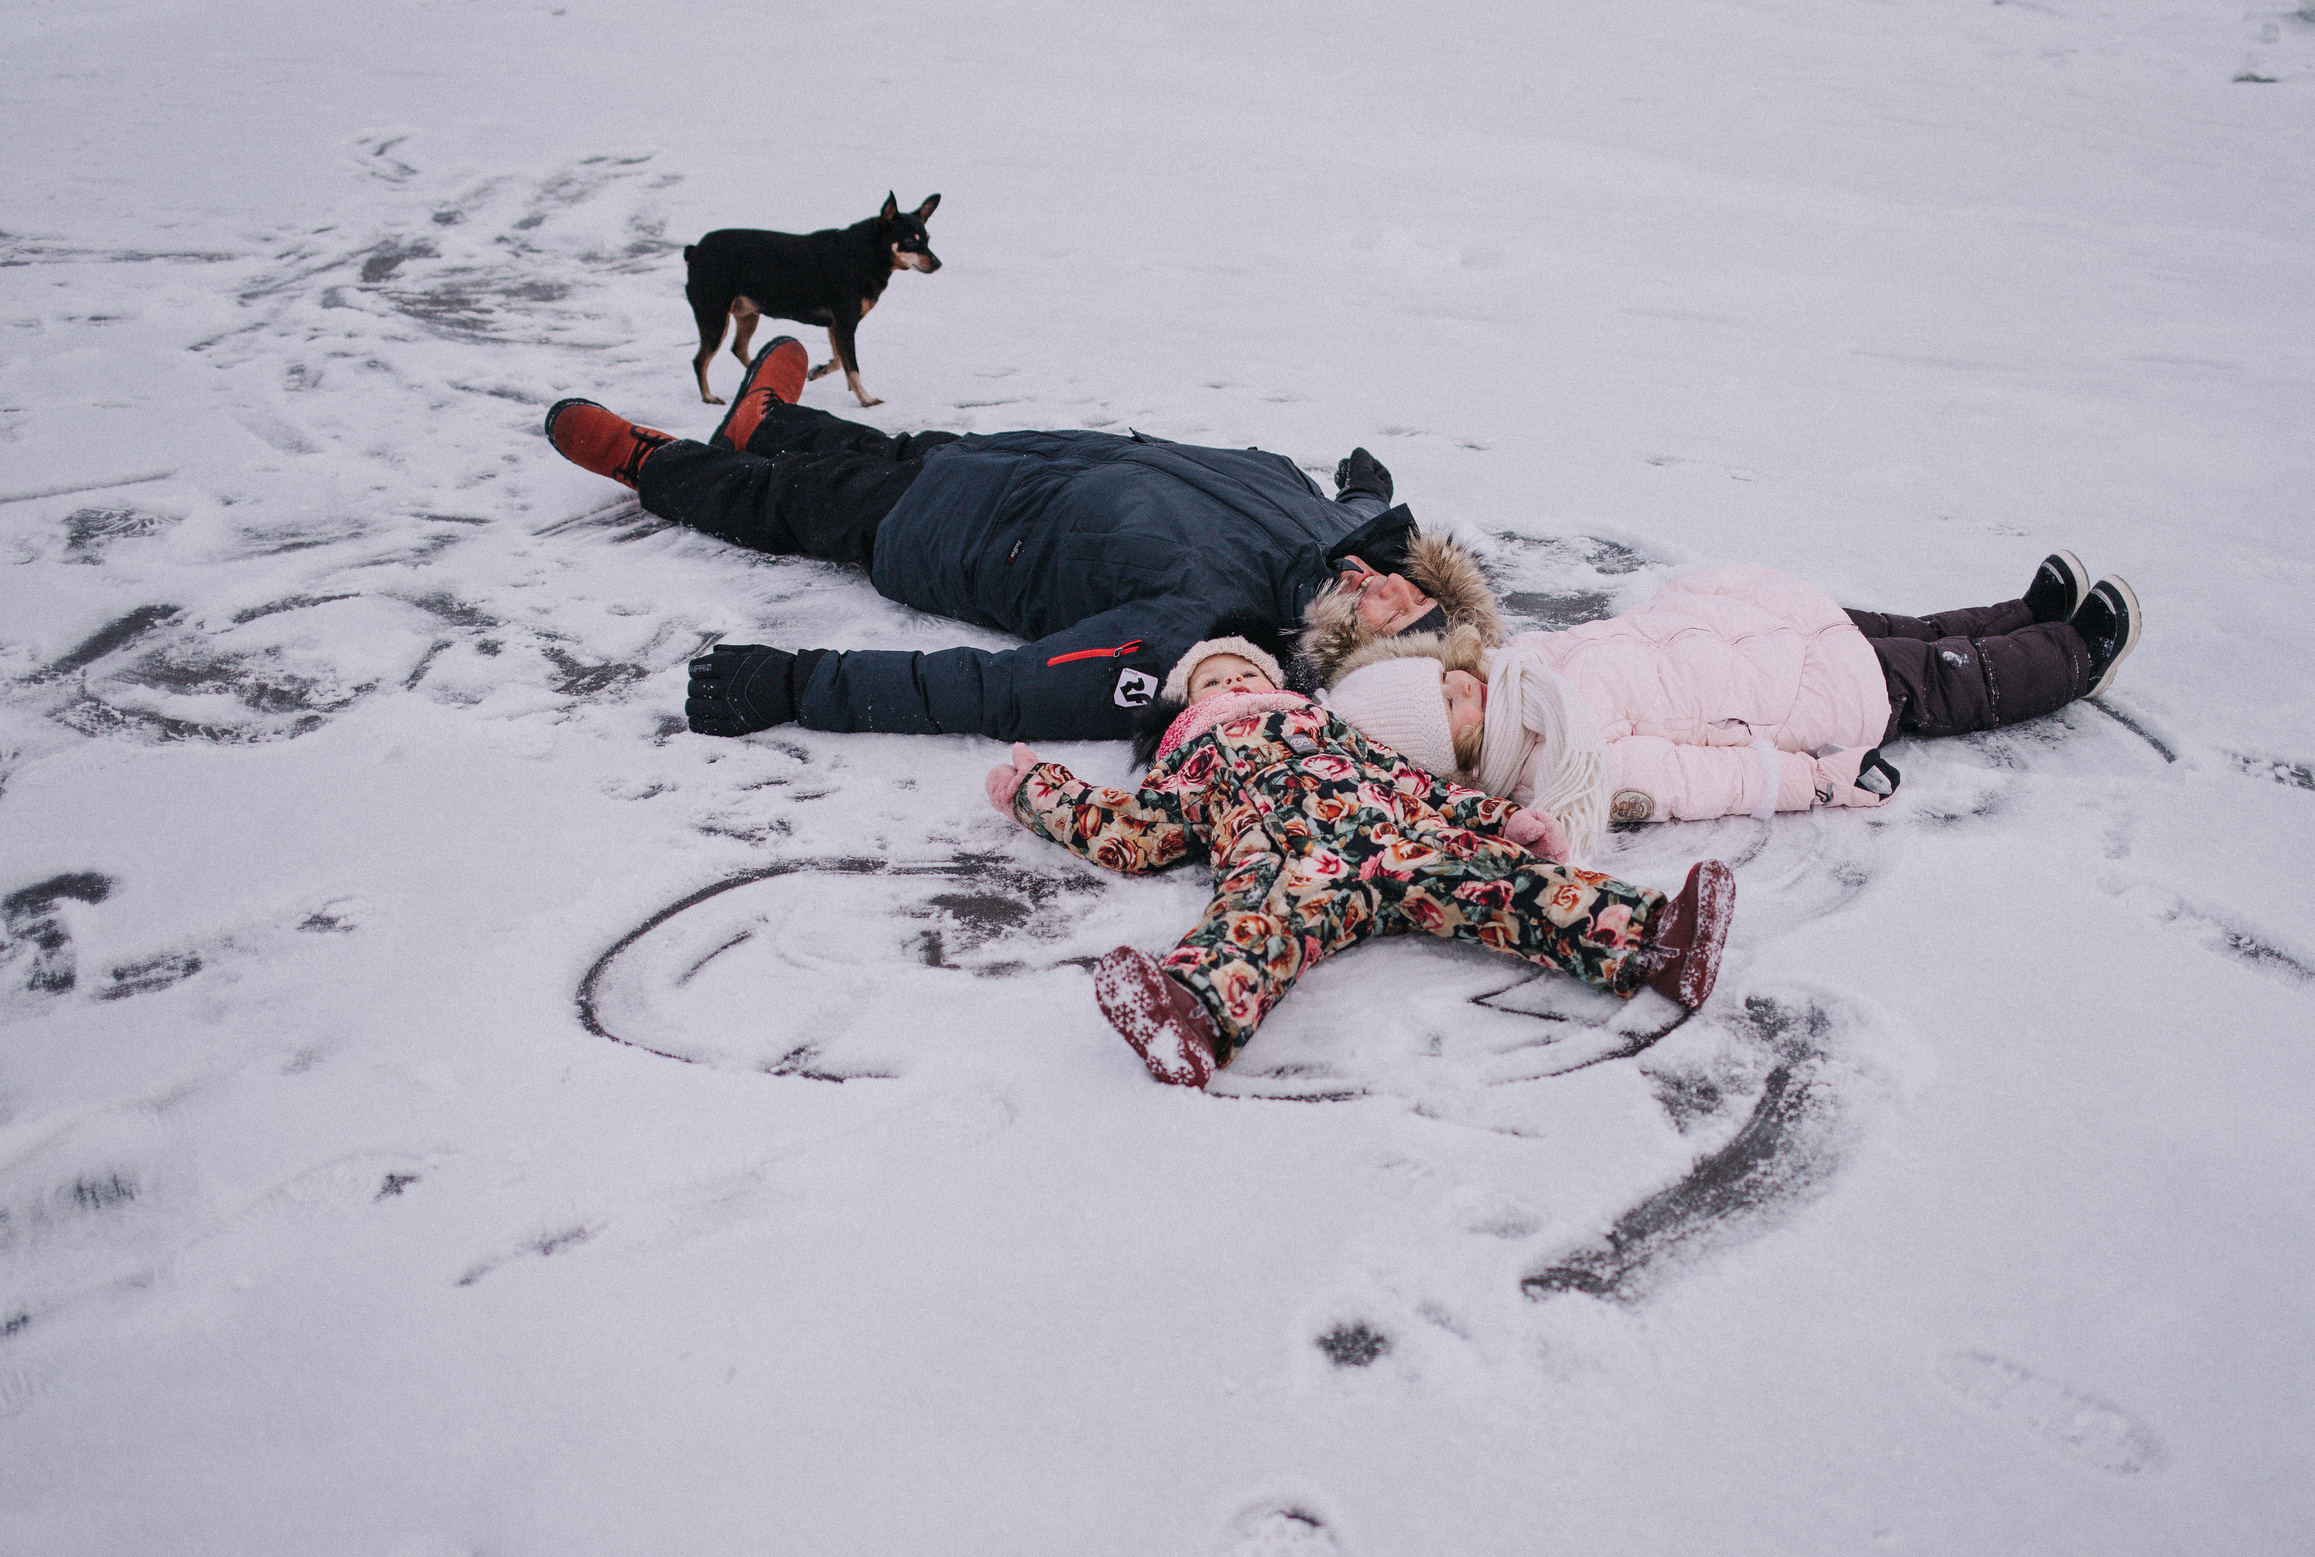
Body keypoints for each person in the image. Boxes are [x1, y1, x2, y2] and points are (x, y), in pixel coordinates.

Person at [540, 336, 1504, 743]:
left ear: (1357, 651)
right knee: (891, 447)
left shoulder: (1217, 640)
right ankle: (766, 421)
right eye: (1414, 588)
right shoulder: (1353, 537)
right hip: (1017, 458)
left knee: (794, 502)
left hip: (943, 534)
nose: (1391, 588)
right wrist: (1362, 490)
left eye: (1398, 613)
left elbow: (1006, 690)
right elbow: (1375, 522)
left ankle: (651, 463)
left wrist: (798, 684)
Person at [978, 635, 1737, 1088]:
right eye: (1213, 681)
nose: (1234, 684)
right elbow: (1135, 829)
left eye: (1246, 673)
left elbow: (1419, 785)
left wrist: (1502, 817)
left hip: (1402, 839)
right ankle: (1191, 1018)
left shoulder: (1335, 731)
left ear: (1278, 685)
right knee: (1253, 928)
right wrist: (1040, 791)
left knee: (1503, 884)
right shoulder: (1192, 761)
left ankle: (1660, 939)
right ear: (1184, 708)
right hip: (1282, 857)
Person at [1316, 552, 2143, 856]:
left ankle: (2026, 614)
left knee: (1906, 631)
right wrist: (1817, 782)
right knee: (1939, 678)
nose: (1463, 683)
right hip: (1780, 700)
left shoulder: (1514, 666)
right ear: (1459, 761)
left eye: (1443, 676)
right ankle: (2070, 657)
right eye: (1450, 707)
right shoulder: (1566, 764)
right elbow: (1712, 781)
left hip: (1737, 628)